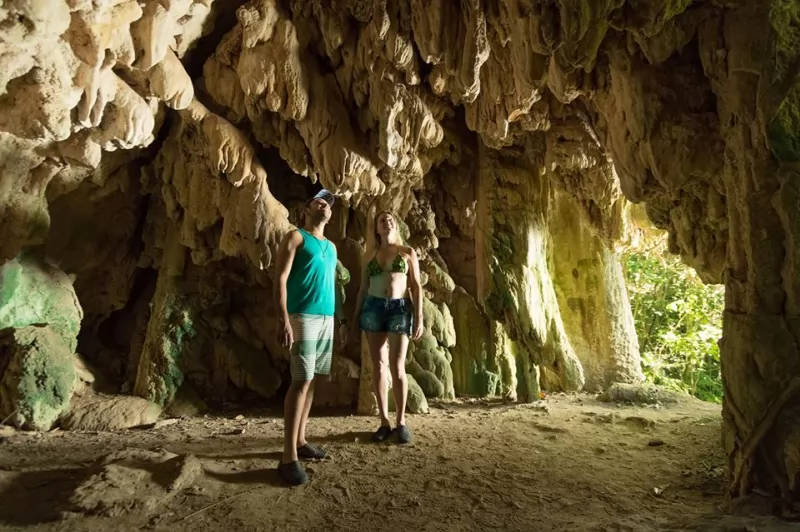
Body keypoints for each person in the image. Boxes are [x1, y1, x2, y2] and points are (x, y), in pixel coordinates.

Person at [274, 188, 348, 486]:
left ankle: (301, 441)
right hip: (302, 316)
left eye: (328, 203)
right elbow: (279, 278)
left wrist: (339, 319)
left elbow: (332, 285)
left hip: (326, 317)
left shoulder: (331, 247)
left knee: (314, 378)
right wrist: (283, 320)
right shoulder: (296, 238)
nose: (325, 205)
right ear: (307, 208)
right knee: (301, 380)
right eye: (319, 200)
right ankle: (287, 456)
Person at [350, 211, 424, 444]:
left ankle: (401, 422)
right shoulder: (370, 255)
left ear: (396, 225)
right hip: (373, 308)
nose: (387, 221)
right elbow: (363, 288)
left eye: (390, 219)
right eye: (382, 220)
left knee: (397, 364)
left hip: (399, 309)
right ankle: (383, 421)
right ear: (377, 228)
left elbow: (416, 287)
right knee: (378, 365)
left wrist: (419, 317)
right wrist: (355, 317)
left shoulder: (407, 253)